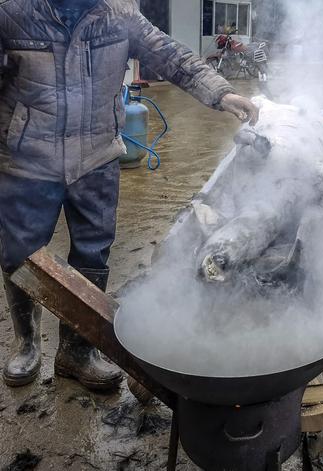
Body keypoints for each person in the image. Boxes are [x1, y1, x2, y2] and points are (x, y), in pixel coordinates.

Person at [0, 0, 258, 393]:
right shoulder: (12, 14)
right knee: (20, 254)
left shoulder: (119, 16)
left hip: (97, 157)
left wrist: (221, 94)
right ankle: (27, 343)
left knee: (92, 253)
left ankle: (77, 351)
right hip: (27, 160)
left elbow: (171, 55)